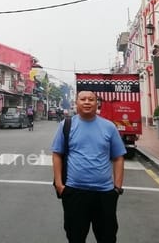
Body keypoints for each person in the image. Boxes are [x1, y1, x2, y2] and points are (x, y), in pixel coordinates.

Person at [52, 89, 126, 243]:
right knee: (75, 237)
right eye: (83, 99)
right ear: (76, 103)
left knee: (107, 237)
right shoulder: (66, 125)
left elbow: (118, 157)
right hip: (75, 192)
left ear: (97, 103)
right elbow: (57, 154)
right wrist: (59, 184)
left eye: (91, 99)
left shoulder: (109, 127)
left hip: (104, 194)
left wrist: (117, 188)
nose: (87, 102)